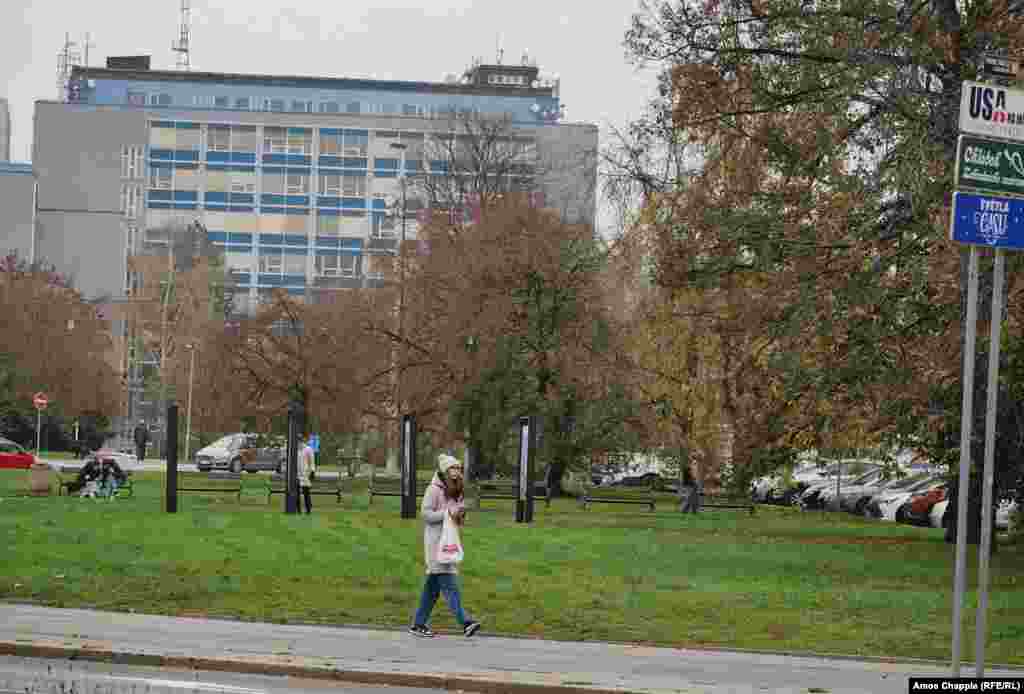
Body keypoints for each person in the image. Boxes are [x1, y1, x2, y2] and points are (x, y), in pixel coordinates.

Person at [409, 454, 481, 638]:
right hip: (435, 543)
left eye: (458, 468)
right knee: (450, 585)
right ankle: (466, 622)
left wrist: (460, 514)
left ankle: (418, 624)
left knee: (432, 589)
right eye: (452, 469)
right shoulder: (433, 489)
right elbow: (425, 514)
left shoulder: (457, 489)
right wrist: (447, 513)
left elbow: (456, 513)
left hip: (450, 541)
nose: (456, 472)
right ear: (444, 471)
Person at [298, 432, 316, 514]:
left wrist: (312, 471)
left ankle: (308, 509)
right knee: (296, 493)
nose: (300, 441)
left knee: (306, 493)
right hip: (296, 474)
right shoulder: (294, 449)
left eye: (300, 439)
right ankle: (298, 509)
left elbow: (312, 462)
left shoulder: (308, 449)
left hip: (305, 474)